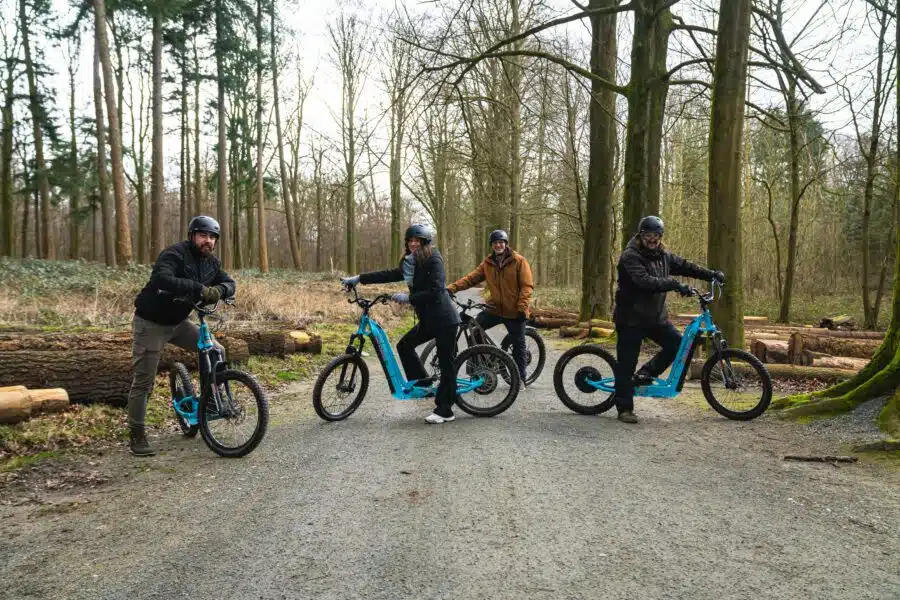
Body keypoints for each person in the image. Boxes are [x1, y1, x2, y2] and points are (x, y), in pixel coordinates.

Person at [128, 216, 236, 455]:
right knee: (144, 381)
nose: (208, 241)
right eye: (203, 235)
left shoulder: (211, 263)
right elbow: (162, 278)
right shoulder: (174, 254)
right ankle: (136, 434)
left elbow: (230, 283)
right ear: (192, 236)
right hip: (150, 323)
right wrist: (198, 289)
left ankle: (209, 404)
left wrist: (219, 290)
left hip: (178, 323)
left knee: (216, 351)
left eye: (212, 237)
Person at [341, 224, 461, 424]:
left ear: (425, 242)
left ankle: (445, 410)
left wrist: (409, 298)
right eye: (410, 240)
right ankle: (423, 384)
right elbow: (389, 274)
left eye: (417, 241)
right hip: (428, 319)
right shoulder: (410, 263)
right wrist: (359, 279)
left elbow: (437, 290)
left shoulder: (434, 258)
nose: (413, 244)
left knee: (446, 363)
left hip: (444, 319)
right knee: (404, 345)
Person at [612, 215, 724, 424]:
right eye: (648, 235)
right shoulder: (630, 256)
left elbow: (685, 266)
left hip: (655, 318)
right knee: (626, 364)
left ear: (660, 236)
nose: (652, 239)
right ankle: (624, 409)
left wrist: (711, 275)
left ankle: (645, 374)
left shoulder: (663, 255)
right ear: (641, 235)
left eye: (656, 235)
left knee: (677, 345)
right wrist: (673, 284)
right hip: (631, 319)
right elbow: (644, 281)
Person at [446, 229, 534, 384]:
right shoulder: (488, 263)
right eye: (495, 243)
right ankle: (484, 365)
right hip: (495, 309)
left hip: (515, 311)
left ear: (506, 244)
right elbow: (471, 279)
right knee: (474, 330)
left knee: (518, 344)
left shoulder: (519, 261)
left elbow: (527, 286)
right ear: (491, 245)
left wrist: (522, 307)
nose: (498, 245)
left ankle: (520, 379)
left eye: (501, 242)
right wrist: (452, 288)